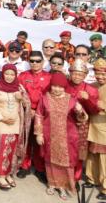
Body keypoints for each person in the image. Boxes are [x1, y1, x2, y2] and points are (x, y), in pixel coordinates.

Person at [35, 72, 87, 200]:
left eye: (60, 87)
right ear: (51, 86)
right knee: (50, 161)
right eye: (54, 86)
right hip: (49, 136)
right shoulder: (45, 98)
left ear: (64, 87)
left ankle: (63, 187)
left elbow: (82, 119)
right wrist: (39, 134)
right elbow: (39, 116)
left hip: (67, 138)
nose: (57, 89)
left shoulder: (71, 99)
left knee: (66, 163)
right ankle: (52, 184)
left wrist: (80, 110)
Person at [0, 64, 31, 190]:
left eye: (12, 74)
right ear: (2, 74)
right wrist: (2, 118)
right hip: (1, 124)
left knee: (12, 151)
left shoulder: (19, 88)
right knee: (2, 149)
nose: (9, 77)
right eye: (7, 74)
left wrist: (22, 98)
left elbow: (27, 105)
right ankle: (1, 175)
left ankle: (8, 173)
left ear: (15, 75)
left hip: (15, 124)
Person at [17, 51, 52, 180]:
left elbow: (50, 97)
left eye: (38, 61)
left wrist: (38, 111)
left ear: (43, 62)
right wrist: (28, 108)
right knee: (26, 141)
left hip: (42, 115)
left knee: (40, 142)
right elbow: (18, 93)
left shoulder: (49, 77)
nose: (35, 63)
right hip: (26, 113)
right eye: (32, 61)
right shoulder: (22, 75)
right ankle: (25, 166)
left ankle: (40, 168)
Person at [66, 59, 100, 181]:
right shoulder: (64, 86)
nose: (77, 76)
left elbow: (95, 111)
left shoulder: (91, 89)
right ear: (70, 73)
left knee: (79, 153)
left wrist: (88, 99)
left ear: (85, 75)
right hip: (65, 124)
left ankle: (76, 178)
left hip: (82, 126)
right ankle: (64, 177)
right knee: (65, 150)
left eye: (80, 74)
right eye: (74, 73)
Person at [86, 59, 106, 199]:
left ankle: (105, 187)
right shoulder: (91, 86)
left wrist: (103, 105)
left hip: (104, 126)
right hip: (91, 125)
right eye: (97, 73)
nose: (100, 77)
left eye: (103, 74)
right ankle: (92, 179)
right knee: (91, 154)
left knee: (104, 157)